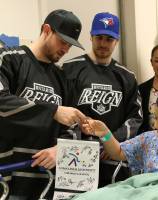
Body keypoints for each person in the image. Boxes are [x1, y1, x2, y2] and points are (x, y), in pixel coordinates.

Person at [0, 9, 87, 199]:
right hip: (7, 176)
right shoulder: (7, 58)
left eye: (70, 45)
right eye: (63, 41)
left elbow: (74, 124)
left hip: (47, 182)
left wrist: (61, 149)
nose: (66, 49)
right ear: (46, 30)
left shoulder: (63, 78)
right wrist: (53, 110)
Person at [62, 12, 143, 187]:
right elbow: (60, 111)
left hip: (113, 158)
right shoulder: (69, 69)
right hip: (77, 158)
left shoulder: (127, 76)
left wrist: (111, 140)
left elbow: (135, 117)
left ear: (117, 40)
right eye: (99, 37)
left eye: (109, 39)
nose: (103, 44)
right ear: (91, 37)